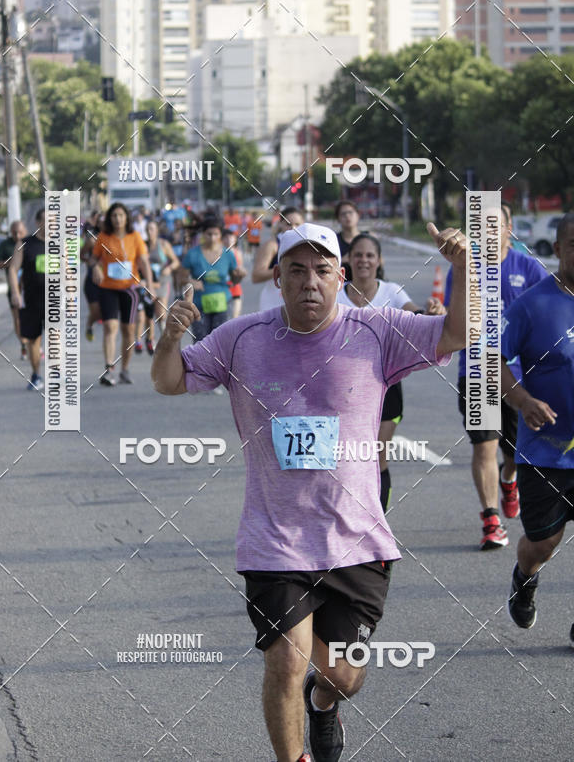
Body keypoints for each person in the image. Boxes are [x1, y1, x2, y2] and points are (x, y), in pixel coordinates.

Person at [152, 220, 468, 762]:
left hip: (355, 539)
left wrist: (463, 269)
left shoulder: (377, 330)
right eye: (296, 271)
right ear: (278, 278)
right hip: (274, 538)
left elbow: (456, 334)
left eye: (322, 270)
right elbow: (169, 379)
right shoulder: (242, 338)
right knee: (286, 661)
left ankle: (323, 703)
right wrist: (169, 337)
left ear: (340, 277)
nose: (309, 282)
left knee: (342, 674)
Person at [445, 203, 546, 550]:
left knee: (514, 453)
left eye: (495, 225)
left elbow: (547, 313)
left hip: (519, 377)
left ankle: (509, 479)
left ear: (509, 228)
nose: (488, 232)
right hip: (476, 370)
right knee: (484, 445)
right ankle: (490, 520)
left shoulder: (529, 268)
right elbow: (454, 317)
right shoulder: (464, 267)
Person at [501, 213, 574, 642]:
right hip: (545, 452)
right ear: (559, 248)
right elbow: (494, 359)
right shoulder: (532, 305)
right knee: (543, 543)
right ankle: (524, 578)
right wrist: (524, 401)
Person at [338, 233, 444, 511]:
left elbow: (417, 317)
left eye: (369, 255)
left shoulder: (392, 292)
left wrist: (432, 314)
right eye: (358, 255)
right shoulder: (335, 293)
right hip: (340, 390)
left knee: (376, 455)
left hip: (385, 387)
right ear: (348, 259)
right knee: (347, 459)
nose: (363, 260)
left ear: (379, 261)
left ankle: (377, 522)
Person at [88, 202, 153, 386]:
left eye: (121, 215)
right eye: (114, 216)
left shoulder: (135, 237)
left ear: (126, 218)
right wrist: (95, 267)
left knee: (128, 330)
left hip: (130, 289)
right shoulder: (103, 237)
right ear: (110, 218)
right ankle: (109, 369)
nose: (118, 219)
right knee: (110, 326)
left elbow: (144, 262)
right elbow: (93, 259)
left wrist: (150, 286)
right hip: (108, 287)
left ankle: (125, 369)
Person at [180, 216, 244, 343]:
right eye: (209, 234)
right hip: (199, 305)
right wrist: (190, 281)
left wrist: (240, 275)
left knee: (220, 342)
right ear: (203, 234)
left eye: (216, 234)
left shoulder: (228, 254)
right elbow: (181, 278)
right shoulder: (193, 254)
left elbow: (234, 281)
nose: (212, 238)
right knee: (201, 343)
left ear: (220, 235)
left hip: (222, 304)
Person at [8, 209, 46, 390]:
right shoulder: (24, 244)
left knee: (55, 337)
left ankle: (56, 373)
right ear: (38, 223)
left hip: (55, 299)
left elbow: (67, 272)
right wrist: (15, 293)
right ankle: (36, 374)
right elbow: (13, 269)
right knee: (33, 340)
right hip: (31, 299)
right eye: (46, 220)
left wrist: (71, 297)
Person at [252, 207, 304, 311]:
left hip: (298, 303)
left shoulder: (306, 245)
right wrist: (283, 269)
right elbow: (256, 276)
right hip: (274, 303)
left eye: (297, 224)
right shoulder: (273, 245)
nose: (293, 228)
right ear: (280, 224)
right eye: (288, 224)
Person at [141, 219, 180, 353]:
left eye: (152, 229)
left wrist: (169, 268)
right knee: (149, 314)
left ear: (157, 231)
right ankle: (150, 339)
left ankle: (165, 340)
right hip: (149, 283)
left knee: (161, 314)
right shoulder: (143, 245)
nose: (149, 232)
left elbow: (175, 261)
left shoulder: (163, 244)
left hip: (163, 282)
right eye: (147, 229)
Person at [0, 219, 27, 359]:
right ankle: (23, 344)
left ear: (25, 231)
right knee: (18, 319)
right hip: (14, 289)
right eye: (14, 233)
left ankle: (35, 343)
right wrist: (11, 263)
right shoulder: (5, 245)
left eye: (20, 232)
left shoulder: (30, 243)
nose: (17, 235)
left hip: (31, 288)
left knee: (33, 318)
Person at [81, 210, 103, 342]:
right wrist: (90, 262)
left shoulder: (116, 240)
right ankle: (89, 325)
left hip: (109, 281)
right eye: (101, 222)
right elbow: (81, 255)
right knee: (96, 312)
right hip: (92, 280)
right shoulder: (92, 240)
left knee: (108, 316)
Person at [334, 201, 361, 283]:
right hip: (341, 285)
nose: (347, 216)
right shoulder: (334, 240)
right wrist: (343, 260)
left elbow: (379, 262)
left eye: (350, 212)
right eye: (343, 214)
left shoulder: (368, 238)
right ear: (338, 219)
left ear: (358, 215)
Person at [223, 228, 246, 319]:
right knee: (223, 320)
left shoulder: (238, 253)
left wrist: (241, 274)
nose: (229, 240)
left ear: (235, 239)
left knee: (234, 318)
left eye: (231, 237)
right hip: (222, 290)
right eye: (226, 237)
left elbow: (240, 269)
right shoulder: (218, 254)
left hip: (235, 288)